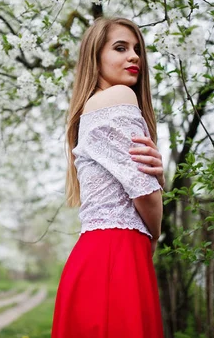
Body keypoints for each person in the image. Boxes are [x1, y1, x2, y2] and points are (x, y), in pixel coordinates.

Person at [51, 17, 165, 338]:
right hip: (118, 257)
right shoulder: (119, 98)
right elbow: (143, 192)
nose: (134, 57)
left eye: (137, 50)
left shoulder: (92, 109)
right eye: (120, 48)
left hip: (95, 258)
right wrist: (155, 234)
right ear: (95, 56)